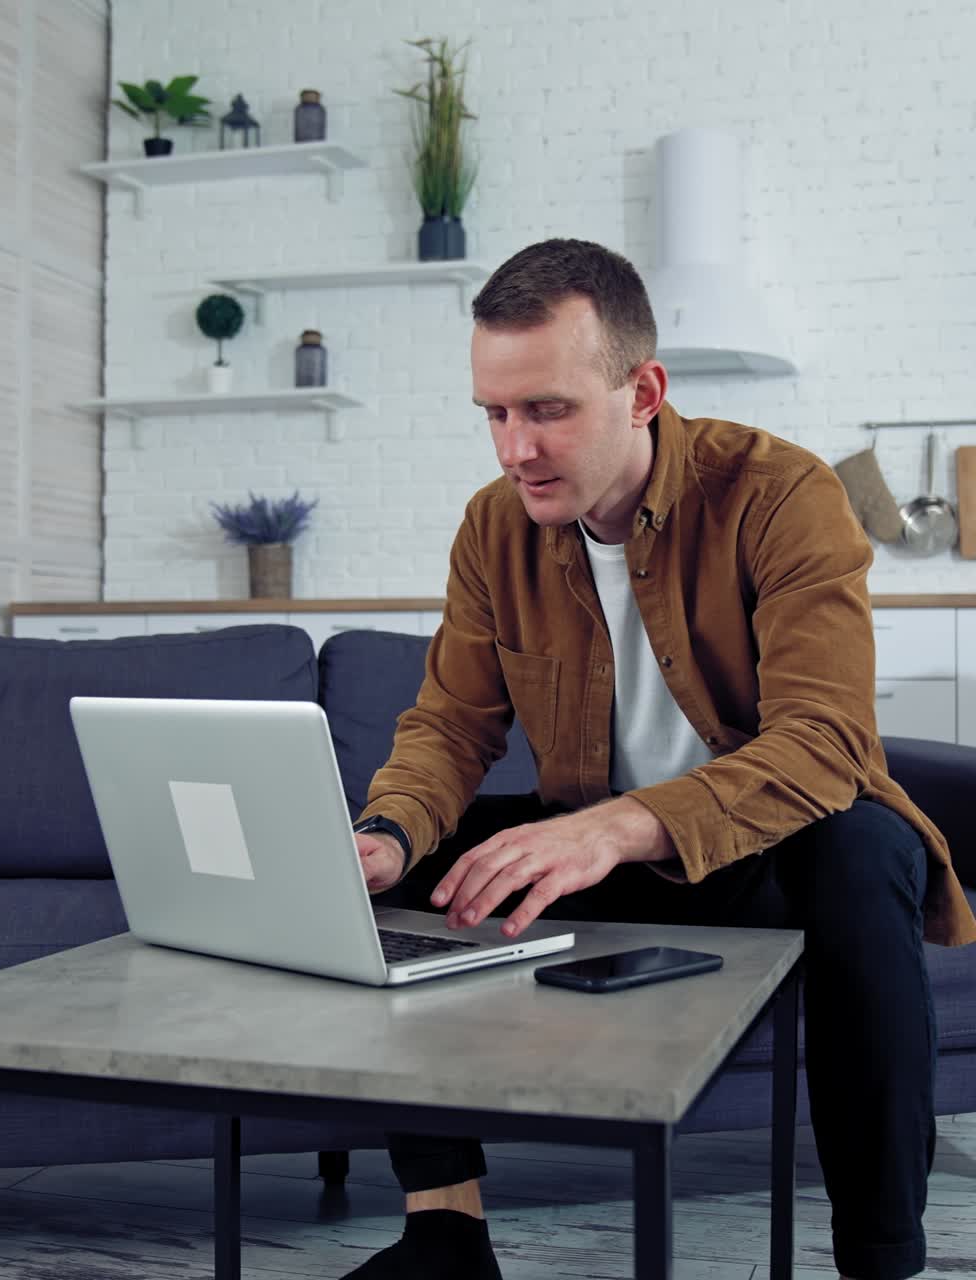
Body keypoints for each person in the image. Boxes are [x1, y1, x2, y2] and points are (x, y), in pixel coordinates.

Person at [344, 238, 976, 1280]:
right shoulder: (491, 527)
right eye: (493, 414)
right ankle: (443, 1231)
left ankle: (878, 1256)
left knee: (860, 849)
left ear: (640, 390)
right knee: (414, 867)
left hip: (767, 857)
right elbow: (450, 724)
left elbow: (823, 742)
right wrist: (387, 829)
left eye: (545, 409)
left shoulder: (779, 492)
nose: (514, 448)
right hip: (612, 862)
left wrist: (614, 824)